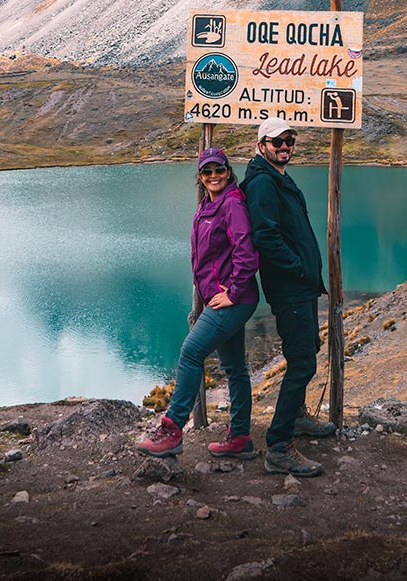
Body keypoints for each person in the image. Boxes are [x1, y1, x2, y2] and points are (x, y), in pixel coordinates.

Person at [137, 147, 259, 459]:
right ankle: (241, 437)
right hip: (222, 299)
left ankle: (173, 429)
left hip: (233, 300)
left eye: (220, 170)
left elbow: (247, 253)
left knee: (191, 352)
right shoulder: (209, 204)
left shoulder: (231, 204)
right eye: (207, 171)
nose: (214, 175)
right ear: (201, 177)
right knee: (234, 367)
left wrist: (231, 291)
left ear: (229, 173)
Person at [241, 117, 335, 478]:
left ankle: (295, 417)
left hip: (301, 286)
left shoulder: (277, 175)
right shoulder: (263, 182)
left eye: (289, 141)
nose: (285, 147)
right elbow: (266, 237)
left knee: (307, 348)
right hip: (290, 287)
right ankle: (278, 446)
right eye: (277, 141)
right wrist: (298, 268)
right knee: (302, 363)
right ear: (262, 144)